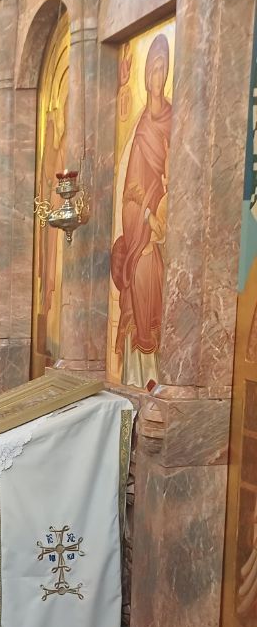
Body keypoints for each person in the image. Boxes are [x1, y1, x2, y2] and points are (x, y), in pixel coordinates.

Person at [111, 31, 171, 388]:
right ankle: (133, 382)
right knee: (136, 295)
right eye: (152, 69)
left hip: (158, 235)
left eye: (162, 69)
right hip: (139, 233)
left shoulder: (172, 120)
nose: (156, 76)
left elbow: (174, 176)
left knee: (154, 300)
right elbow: (129, 188)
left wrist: (156, 211)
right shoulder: (140, 127)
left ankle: (155, 383)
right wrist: (141, 213)